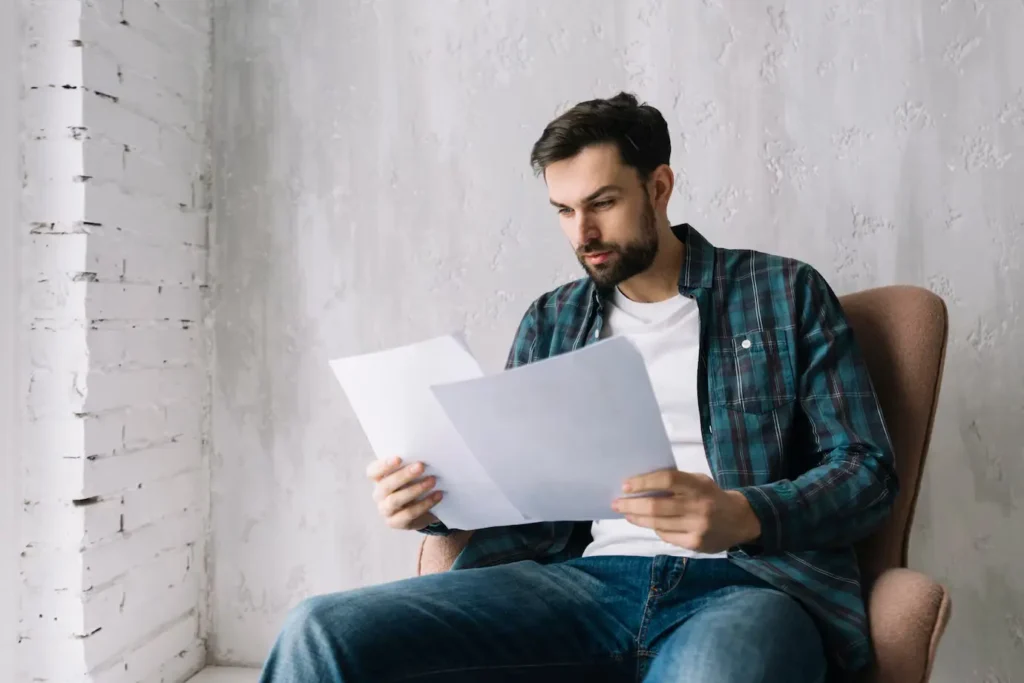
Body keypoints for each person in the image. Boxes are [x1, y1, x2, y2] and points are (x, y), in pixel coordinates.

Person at [259, 92, 898, 683]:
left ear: (660, 187)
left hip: (748, 587)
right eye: (564, 210)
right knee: (319, 631)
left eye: (602, 203)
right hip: (583, 585)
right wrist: (436, 505)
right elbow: (515, 488)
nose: (582, 233)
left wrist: (745, 514)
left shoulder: (783, 293)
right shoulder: (551, 320)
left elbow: (868, 472)